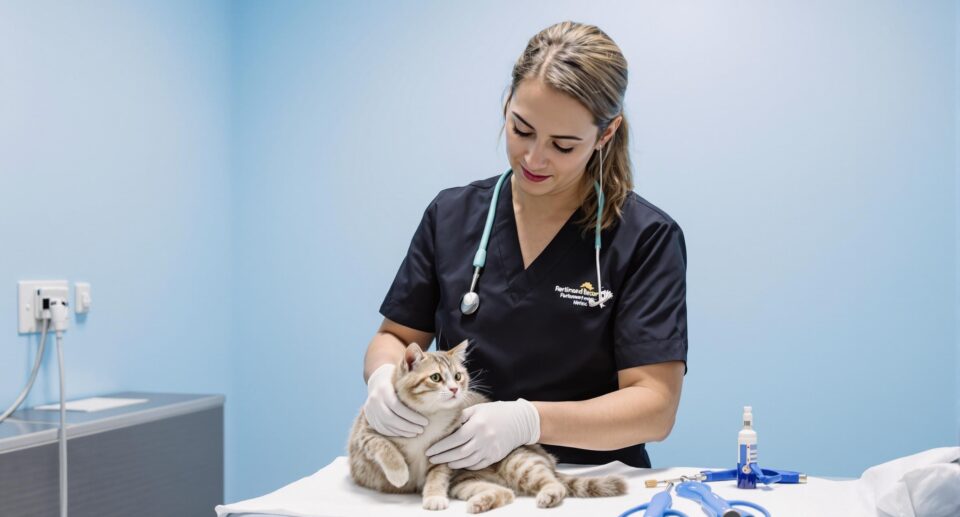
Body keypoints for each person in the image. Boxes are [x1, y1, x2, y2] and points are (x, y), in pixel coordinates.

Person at [361, 21, 687, 472]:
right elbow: (395, 337)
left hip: (590, 482)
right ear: (507, 107)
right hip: (460, 477)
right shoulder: (451, 215)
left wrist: (527, 421)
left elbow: (654, 406)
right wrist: (383, 377)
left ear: (605, 135)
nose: (534, 158)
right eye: (522, 129)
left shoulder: (645, 237)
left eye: (563, 145)